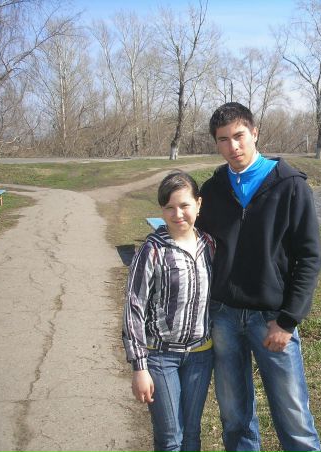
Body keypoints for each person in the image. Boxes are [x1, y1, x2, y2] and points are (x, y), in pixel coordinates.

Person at [196, 102, 321, 452]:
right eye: (223, 140)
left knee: (294, 418)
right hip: (224, 317)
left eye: (239, 136)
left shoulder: (290, 186)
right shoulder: (213, 189)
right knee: (234, 417)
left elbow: (309, 257)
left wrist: (288, 320)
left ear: (254, 133)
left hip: (271, 320)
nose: (233, 146)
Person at [122, 170, 216, 452]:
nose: (178, 214)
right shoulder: (152, 250)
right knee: (170, 437)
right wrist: (139, 367)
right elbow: (134, 307)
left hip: (201, 356)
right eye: (169, 207)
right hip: (161, 357)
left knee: (192, 435)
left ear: (198, 204)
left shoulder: (209, 245)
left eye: (184, 205)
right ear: (162, 210)